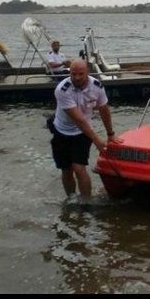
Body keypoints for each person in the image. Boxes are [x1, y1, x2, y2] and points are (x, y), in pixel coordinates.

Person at [49, 60, 121, 202]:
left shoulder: (97, 86)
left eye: (80, 74)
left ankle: (86, 202)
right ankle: (71, 198)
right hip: (62, 131)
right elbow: (78, 119)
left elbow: (104, 109)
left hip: (83, 133)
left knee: (79, 167)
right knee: (66, 169)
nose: (76, 77)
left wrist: (110, 134)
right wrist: (97, 140)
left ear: (87, 72)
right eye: (73, 74)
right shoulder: (62, 89)